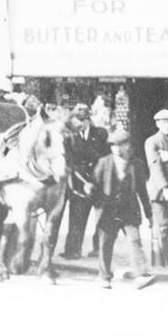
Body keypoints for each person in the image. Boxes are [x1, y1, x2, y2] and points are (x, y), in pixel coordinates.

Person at [91, 128, 155, 290]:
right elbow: (94, 183)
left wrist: (149, 214)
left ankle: (141, 275)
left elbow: (142, 191)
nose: (116, 149)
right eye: (113, 146)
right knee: (105, 243)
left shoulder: (137, 165)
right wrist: (90, 189)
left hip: (129, 211)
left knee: (134, 240)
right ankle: (104, 277)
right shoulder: (104, 162)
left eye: (120, 145)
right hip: (108, 210)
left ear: (128, 146)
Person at [61, 103, 108, 260]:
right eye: (75, 120)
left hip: (99, 181)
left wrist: (96, 179)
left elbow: (106, 157)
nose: (78, 124)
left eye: (81, 120)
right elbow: (69, 162)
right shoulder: (69, 138)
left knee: (102, 217)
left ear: (88, 120)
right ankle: (73, 250)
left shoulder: (101, 133)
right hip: (79, 184)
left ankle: (99, 249)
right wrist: (84, 181)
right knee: (77, 217)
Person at [144, 108, 168, 266]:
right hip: (160, 192)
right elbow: (155, 166)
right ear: (157, 124)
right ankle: (165, 261)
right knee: (162, 226)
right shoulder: (152, 141)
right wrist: (165, 188)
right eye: (164, 122)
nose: (167, 125)